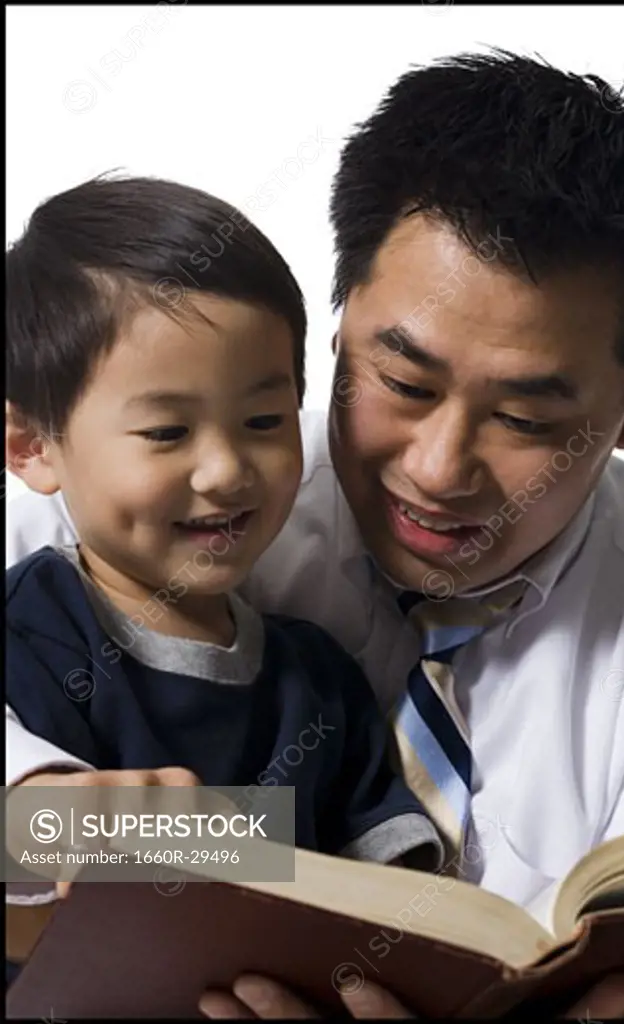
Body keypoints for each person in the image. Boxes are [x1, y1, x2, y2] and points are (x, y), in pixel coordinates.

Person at [6, 50, 624, 1019]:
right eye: (404, 384)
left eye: (529, 421)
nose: (440, 469)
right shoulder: (158, 508)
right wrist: (36, 801)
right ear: (335, 331)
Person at [4, 175, 444, 984]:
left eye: (264, 422)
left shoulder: (319, 677)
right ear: (33, 446)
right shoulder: (30, 631)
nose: (226, 470)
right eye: (167, 431)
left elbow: (391, 889)